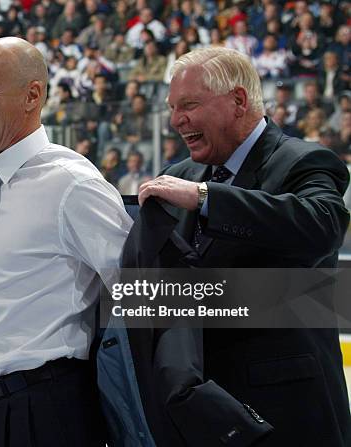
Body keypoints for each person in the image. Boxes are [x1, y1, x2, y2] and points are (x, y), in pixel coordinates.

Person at [135, 47, 350, 446]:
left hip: (285, 408)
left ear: (238, 100)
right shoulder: (177, 174)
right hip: (199, 409)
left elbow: (322, 224)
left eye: (190, 104)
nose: (176, 119)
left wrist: (206, 197)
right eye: (173, 107)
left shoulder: (305, 160)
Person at [0, 37, 132, 447]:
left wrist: (276, 303)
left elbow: (147, 289)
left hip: (43, 414)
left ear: (32, 96)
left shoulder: (70, 184)